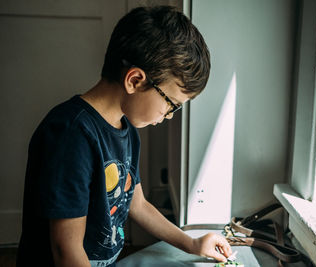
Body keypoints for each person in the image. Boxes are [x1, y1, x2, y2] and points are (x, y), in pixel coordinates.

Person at [16, 5, 232, 267]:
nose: (170, 115)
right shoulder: (71, 134)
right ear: (135, 80)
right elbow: (66, 250)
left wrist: (192, 243)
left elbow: (137, 205)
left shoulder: (127, 131)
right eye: (171, 104)